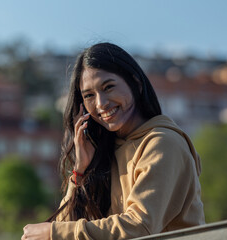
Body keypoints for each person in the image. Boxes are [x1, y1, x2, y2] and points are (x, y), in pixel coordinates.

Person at [21, 42, 205, 240]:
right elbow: (67, 223)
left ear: (136, 83)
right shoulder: (110, 149)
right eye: (89, 95)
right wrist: (80, 171)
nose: (101, 103)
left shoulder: (162, 143)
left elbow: (140, 227)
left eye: (108, 87)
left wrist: (54, 233)